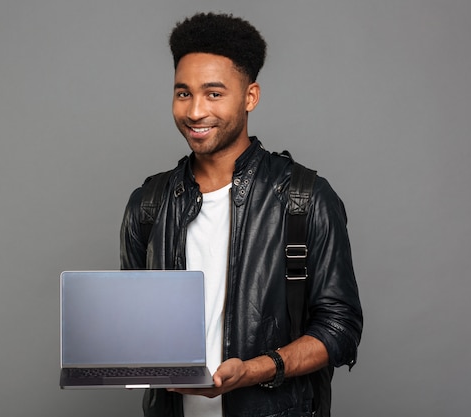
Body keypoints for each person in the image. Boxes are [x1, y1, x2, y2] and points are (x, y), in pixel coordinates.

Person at [120, 12, 363, 417]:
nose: (195, 111)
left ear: (250, 97)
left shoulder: (304, 198)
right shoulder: (148, 204)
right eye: (183, 93)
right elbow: (134, 321)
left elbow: (340, 328)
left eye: (214, 94)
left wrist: (253, 370)